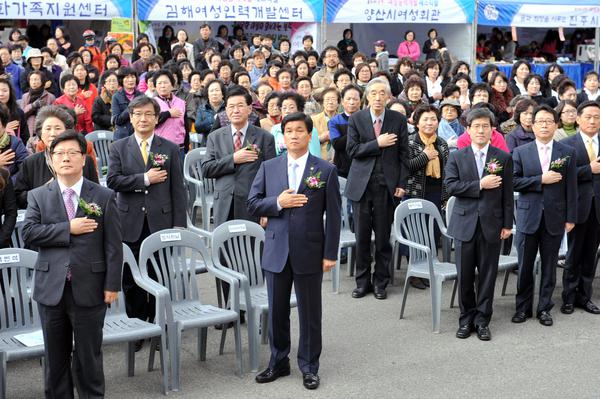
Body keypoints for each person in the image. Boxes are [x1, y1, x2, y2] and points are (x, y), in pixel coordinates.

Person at [22, 130, 122, 398]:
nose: (65, 158)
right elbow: (29, 233)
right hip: (51, 290)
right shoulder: (38, 196)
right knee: (55, 360)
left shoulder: (102, 195)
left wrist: (112, 284)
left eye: (72, 153)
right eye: (59, 154)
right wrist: (68, 228)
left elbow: (113, 245)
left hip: (91, 287)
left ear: (83, 158)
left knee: (89, 356)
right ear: (51, 160)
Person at [247, 111, 341, 390]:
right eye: (289, 131)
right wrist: (278, 202)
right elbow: (253, 203)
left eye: (300, 131)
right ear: (283, 136)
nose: (295, 135)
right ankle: (278, 361)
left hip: (310, 249)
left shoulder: (325, 170)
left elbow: (334, 216)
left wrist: (330, 253)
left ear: (309, 135)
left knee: (310, 312)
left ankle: (310, 366)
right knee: (276, 310)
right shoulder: (269, 167)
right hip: (276, 249)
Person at [106, 96, 186, 344]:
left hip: (160, 222)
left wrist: (179, 223)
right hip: (129, 223)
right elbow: (113, 181)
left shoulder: (169, 148)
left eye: (148, 114)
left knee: (159, 276)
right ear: (130, 118)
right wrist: (144, 179)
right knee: (131, 280)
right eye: (138, 114)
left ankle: (158, 326)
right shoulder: (118, 147)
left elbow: (177, 188)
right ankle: (137, 328)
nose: (143, 118)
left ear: (156, 117)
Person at [445, 107, 513, 341]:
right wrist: (480, 185)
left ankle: (483, 320)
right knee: (464, 275)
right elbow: (451, 187)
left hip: (492, 224)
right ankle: (466, 320)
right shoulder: (456, 156)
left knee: (487, 275)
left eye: (486, 126)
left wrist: (507, 224)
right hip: (464, 224)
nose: (481, 130)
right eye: (477, 126)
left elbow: (507, 193)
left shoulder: (502, 157)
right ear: (468, 130)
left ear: (492, 130)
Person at [511, 104, 577, 327]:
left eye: (549, 121)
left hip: (555, 217)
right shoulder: (520, 152)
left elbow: (572, 188)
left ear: (556, 124)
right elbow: (514, 181)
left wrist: (570, 217)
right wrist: (540, 179)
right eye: (540, 121)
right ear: (533, 125)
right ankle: (522, 308)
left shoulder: (567, 152)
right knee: (525, 266)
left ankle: (544, 308)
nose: (545, 125)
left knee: (549, 267)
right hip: (528, 217)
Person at [346, 78, 409, 300]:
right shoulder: (356, 118)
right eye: (373, 93)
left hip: (387, 186)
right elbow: (352, 150)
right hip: (361, 186)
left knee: (382, 238)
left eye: (382, 93)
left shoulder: (398, 119)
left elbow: (404, 155)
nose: (378, 97)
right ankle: (362, 282)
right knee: (362, 237)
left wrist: (401, 183)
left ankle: (381, 281)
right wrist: (377, 143)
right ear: (367, 96)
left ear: (389, 96)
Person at [14, 105, 99, 208]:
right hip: (44, 220)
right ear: (40, 132)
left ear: (67, 131)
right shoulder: (30, 163)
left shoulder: (84, 159)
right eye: (48, 129)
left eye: (58, 128)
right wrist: (41, 192)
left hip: (81, 219)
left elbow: (96, 194)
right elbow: (18, 198)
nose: (53, 134)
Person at [560, 101, 600, 315]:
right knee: (573, 254)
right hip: (577, 205)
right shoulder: (568, 145)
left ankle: (585, 296)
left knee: (590, 254)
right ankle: (568, 297)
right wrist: (589, 169)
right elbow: (563, 177)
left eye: (597, 117)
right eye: (588, 117)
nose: (593, 121)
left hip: (598, 207)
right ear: (578, 119)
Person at [329, 84, 362, 178]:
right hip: (342, 168)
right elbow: (337, 144)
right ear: (342, 102)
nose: (352, 102)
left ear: (360, 102)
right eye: (348, 99)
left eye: (355, 99)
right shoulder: (335, 121)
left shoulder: (367, 119)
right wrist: (357, 131)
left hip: (363, 166)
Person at [20, 70, 55, 137]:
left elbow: (52, 115)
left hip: (44, 128)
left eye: (36, 80)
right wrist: (33, 106)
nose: (33, 82)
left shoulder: (50, 97)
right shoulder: (25, 96)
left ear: (42, 81)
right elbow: (22, 114)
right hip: (28, 129)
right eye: (31, 80)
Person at [112, 68, 142, 140]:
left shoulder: (141, 96)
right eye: (127, 77)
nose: (130, 80)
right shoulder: (116, 97)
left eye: (132, 77)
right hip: (122, 136)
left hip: (138, 134)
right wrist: (131, 106)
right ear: (121, 80)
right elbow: (117, 120)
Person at [0, 103, 28, 179]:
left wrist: (8, 184)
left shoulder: (16, 143)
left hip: (10, 188)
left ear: (4, 123)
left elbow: (25, 170)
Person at [311, 88, 339, 161]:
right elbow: (307, 141)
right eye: (327, 99)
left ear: (338, 102)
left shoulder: (343, 119)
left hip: (339, 159)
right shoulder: (313, 120)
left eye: (333, 99)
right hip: (319, 158)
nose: (330, 102)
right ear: (322, 102)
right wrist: (320, 139)